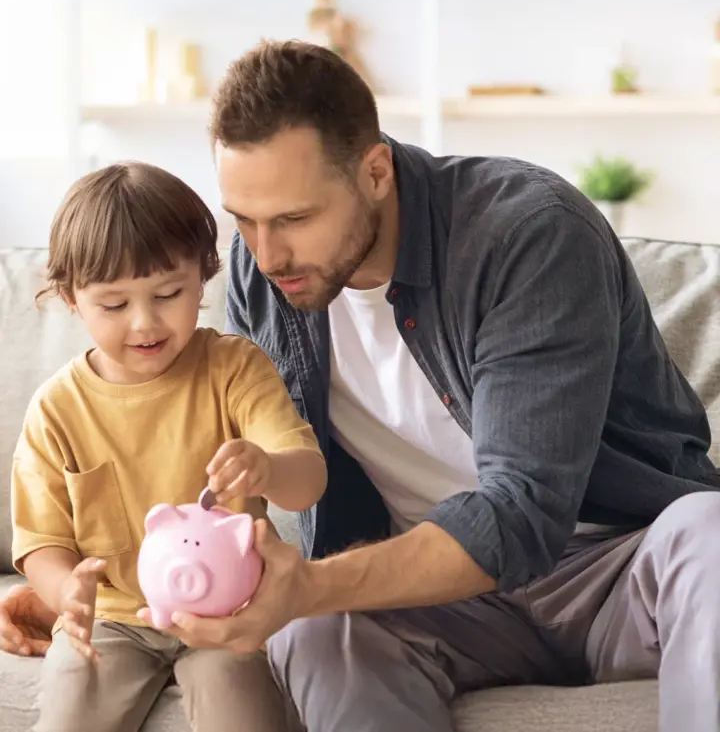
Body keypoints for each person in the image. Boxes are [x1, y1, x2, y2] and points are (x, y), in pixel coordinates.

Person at [2, 40, 720, 732]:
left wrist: (309, 586)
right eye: (243, 221)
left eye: (293, 218)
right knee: (316, 632)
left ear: (375, 171)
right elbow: (206, 459)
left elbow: (521, 515)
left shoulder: (526, 235)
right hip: (440, 600)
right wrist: (79, 587)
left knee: (710, 536)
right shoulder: (265, 272)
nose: (266, 252)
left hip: (615, 570)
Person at [6, 160, 327, 732]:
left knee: (243, 710)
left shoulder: (234, 370)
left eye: (169, 293)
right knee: (70, 712)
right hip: (112, 619)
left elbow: (307, 482)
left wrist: (267, 469)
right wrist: (67, 593)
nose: (144, 322)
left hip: (229, 612)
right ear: (69, 298)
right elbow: (41, 544)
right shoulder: (57, 410)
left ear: (203, 276)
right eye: (114, 305)